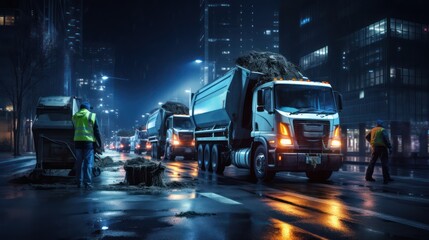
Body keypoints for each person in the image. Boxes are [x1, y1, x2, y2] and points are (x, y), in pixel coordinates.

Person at [72, 101, 102, 189]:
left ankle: (78, 182)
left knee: (79, 163)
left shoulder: (75, 116)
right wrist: (100, 143)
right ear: (88, 108)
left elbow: (74, 128)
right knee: (88, 163)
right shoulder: (91, 115)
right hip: (88, 143)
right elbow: (96, 131)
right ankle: (87, 183)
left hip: (77, 142)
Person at [365, 120, 394, 184]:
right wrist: (390, 147)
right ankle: (386, 178)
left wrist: (372, 142)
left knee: (372, 163)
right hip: (382, 148)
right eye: (383, 123)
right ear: (381, 124)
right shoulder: (382, 130)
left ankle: (368, 177)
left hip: (374, 148)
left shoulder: (373, 130)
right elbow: (386, 139)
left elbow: (367, 137)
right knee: (384, 163)